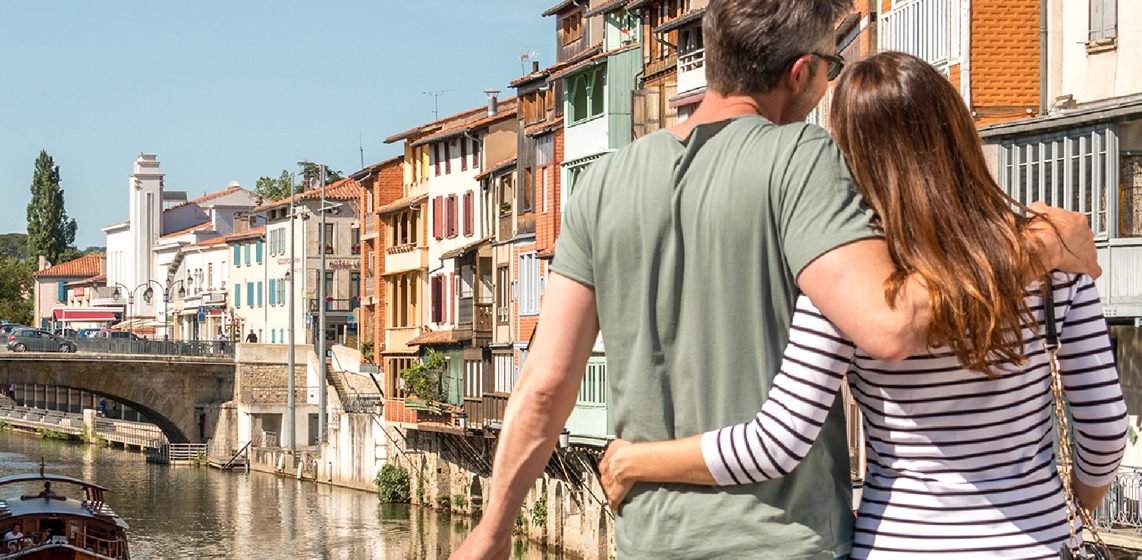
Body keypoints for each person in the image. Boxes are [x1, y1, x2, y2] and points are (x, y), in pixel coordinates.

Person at [450, 0, 1101, 557]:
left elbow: (544, 387)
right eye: (830, 68)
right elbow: (889, 324)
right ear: (800, 72)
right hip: (786, 539)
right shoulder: (802, 160)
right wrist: (1030, 246)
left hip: (649, 537)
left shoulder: (599, 185)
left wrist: (495, 526)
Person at [597, 51, 1128, 558]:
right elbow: (1104, 431)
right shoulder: (1051, 258)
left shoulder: (853, 285)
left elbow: (778, 442)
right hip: (1032, 541)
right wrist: (1061, 508)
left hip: (898, 543)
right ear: (957, 132)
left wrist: (636, 459)